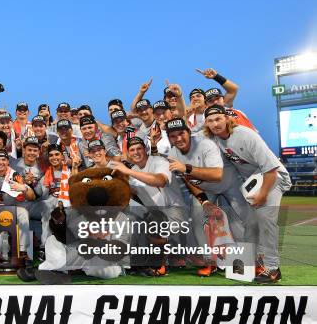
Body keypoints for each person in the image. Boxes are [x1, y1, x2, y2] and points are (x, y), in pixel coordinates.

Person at [204, 105, 290, 283]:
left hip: (271, 178)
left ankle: (273, 269)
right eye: (210, 121)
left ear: (227, 118)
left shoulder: (246, 135)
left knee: (266, 220)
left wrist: (263, 194)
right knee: (250, 223)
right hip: (251, 183)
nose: (215, 123)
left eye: (218, 118)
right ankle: (249, 263)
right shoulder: (215, 139)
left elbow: (271, 169)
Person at [166, 117, 252, 275]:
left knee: (239, 220)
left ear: (188, 132)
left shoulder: (205, 143)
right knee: (197, 218)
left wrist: (186, 167)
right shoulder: (173, 152)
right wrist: (204, 200)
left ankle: (244, 264)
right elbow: (188, 179)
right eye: (173, 136)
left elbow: (217, 174)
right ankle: (209, 261)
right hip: (205, 189)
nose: (178, 138)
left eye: (181, 133)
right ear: (169, 138)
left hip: (229, 183)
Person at [110, 137, 189, 277]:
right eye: (132, 150)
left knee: (154, 221)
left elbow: (159, 181)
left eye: (139, 148)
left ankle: (161, 263)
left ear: (145, 149)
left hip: (175, 211)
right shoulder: (133, 169)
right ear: (128, 153)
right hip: (153, 213)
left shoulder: (159, 161)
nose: (136, 152)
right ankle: (136, 263)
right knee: (128, 219)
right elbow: (132, 192)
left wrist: (128, 172)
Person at [0, 149, 36, 254]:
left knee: (23, 212)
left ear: (8, 162)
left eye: (3, 160)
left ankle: (23, 251)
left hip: (11, 207)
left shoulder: (14, 175)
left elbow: (32, 197)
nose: (0, 162)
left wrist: (24, 188)